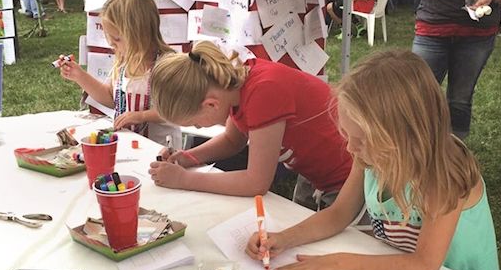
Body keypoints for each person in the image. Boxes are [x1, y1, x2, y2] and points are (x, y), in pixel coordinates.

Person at [245, 50, 501, 270]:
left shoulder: (444, 173)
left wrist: (338, 262)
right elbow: (338, 215)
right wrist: (283, 238)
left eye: (362, 139)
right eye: (347, 135)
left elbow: (423, 267)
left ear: (405, 134)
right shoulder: (371, 154)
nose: (350, 148)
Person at [147, 41, 353, 209]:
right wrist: (187, 158)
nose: (199, 128)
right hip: (316, 175)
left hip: (350, 176)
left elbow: (256, 182)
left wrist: (184, 180)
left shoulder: (263, 92)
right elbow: (231, 141)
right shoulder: (234, 87)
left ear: (211, 104)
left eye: (195, 123)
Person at [404, 0, 501, 139]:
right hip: (433, 28)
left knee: (460, 99)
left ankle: (454, 156)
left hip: (477, 35)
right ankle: (412, 151)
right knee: (418, 95)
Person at [58, 0, 180, 147]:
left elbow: (177, 111)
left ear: (139, 32)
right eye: (109, 38)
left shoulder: (167, 65)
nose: (111, 44)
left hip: (160, 150)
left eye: (117, 38)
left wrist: (142, 116)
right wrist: (79, 75)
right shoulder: (124, 62)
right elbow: (110, 98)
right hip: (129, 147)